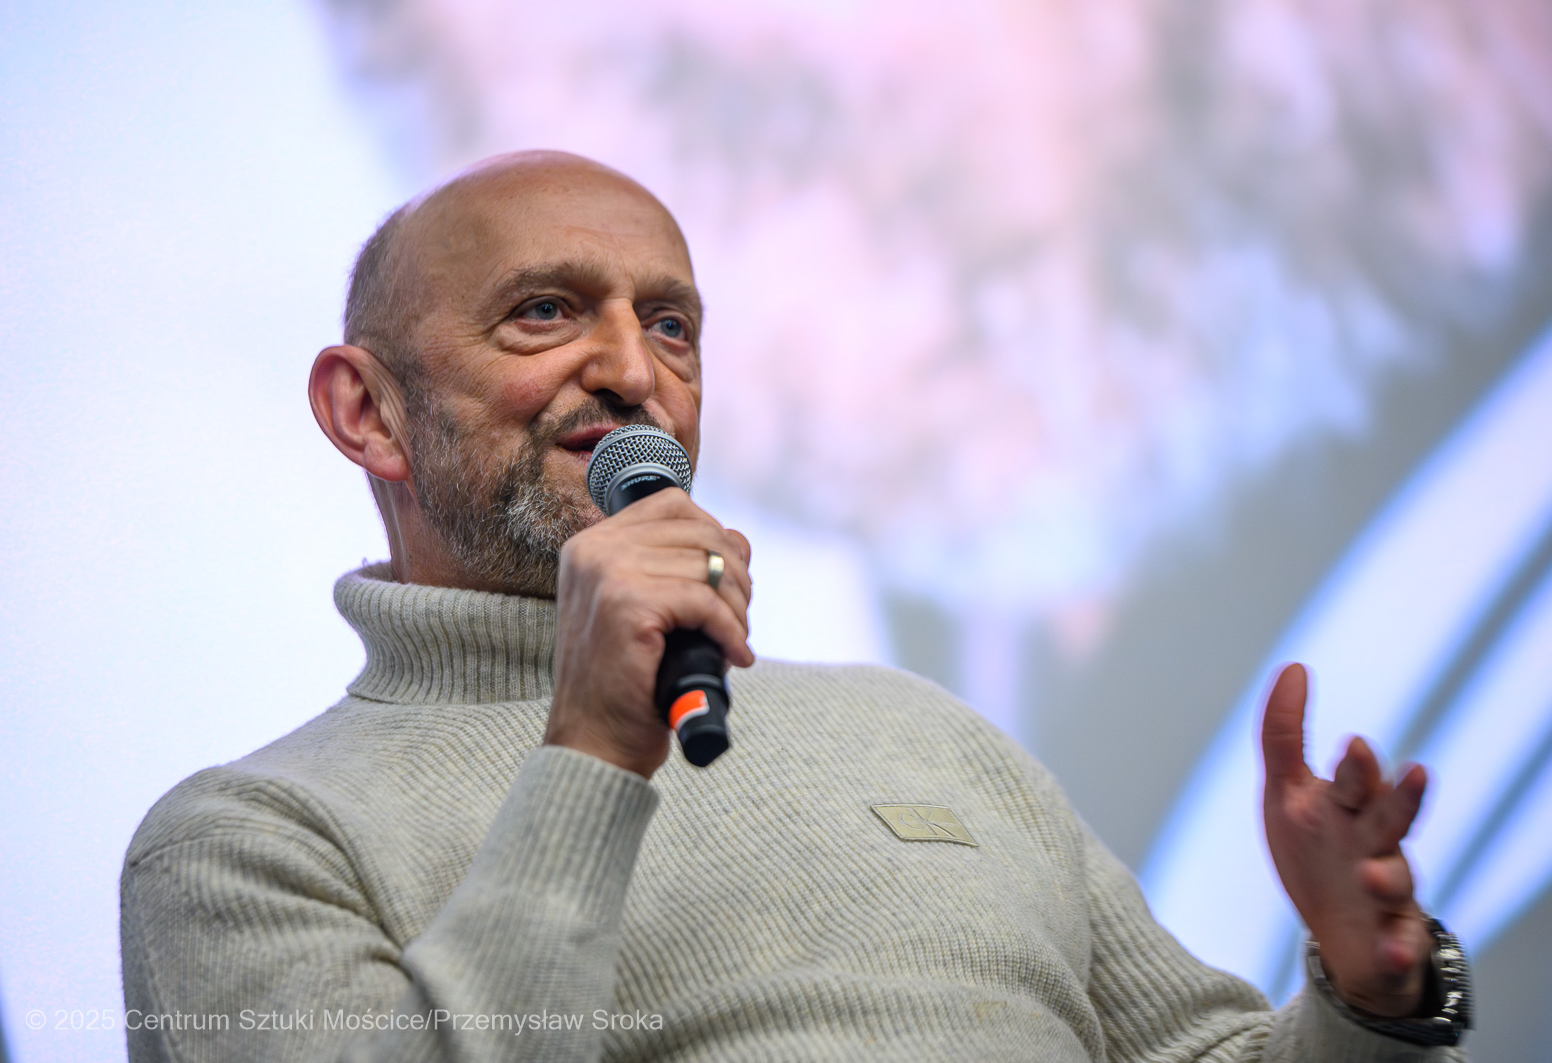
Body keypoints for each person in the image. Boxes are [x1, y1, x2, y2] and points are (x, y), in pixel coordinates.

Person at [120, 151, 1470, 1062]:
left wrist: (1370, 1001)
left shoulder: (923, 732)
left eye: (671, 325)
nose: (632, 369)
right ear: (366, 410)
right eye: (544, 312)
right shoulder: (245, 842)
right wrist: (588, 752)